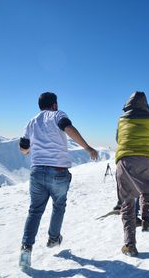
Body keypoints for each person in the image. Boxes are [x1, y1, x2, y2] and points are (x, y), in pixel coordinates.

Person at [19, 92, 98, 269]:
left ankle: (26, 249)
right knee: (59, 205)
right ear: (54, 104)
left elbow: (23, 148)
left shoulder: (31, 122)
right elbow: (68, 128)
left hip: (37, 171)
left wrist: (30, 151)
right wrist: (88, 148)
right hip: (58, 171)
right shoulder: (58, 115)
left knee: (35, 210)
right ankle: (54, 238)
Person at [115, 91, 149, 257]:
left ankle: (130, 245)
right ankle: (147, 222)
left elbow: (118, 139)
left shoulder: (122, 120)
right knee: (148, 189)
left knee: (127, 203)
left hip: (125, 161)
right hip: (146, 159)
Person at [113, 110, 149, 227]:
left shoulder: (130, 124)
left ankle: (122, 206)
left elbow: (118, 139)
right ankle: (139, 217)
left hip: (124, 158)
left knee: (125, 186)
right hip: (142, 161)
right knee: (143, 190)